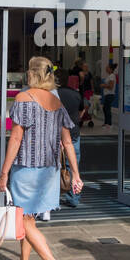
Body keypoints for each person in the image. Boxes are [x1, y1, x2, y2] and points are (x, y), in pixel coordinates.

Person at [0, 56, 81, 260]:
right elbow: (67, 142)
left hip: (27, 170)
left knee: (23, 220)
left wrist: (4, 173)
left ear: (31, 74)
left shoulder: (23, 99)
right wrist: (75, 173)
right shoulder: (57, 101)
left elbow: (15, 139)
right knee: (30, 218)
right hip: (50, 171)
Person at [55, 73, 87, 208]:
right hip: (73, 134)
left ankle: (53, 200)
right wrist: (76, 119)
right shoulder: (76, 94)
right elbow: (83, 109)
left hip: (56, 135)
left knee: (55, 168)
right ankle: (73, 198)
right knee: (72, 167)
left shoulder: (53, 94)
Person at [102, 61, 117, 127]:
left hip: (110, 95)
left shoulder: (112, 76)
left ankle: (109, 123)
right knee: (105, 108)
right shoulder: (109, 76)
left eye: (107, 68)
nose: (106, 68)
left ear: (111, 69)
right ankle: (106, 122)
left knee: (107, 109)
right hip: (107, 95)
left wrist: (103, 85)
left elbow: (111, 87)